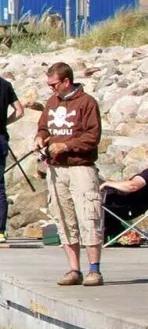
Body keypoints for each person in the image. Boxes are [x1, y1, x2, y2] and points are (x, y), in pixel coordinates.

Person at [35, 62, 105, 286]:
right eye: (49, 85)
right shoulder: (52, 102)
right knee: (64, 219)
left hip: (80, 168)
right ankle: (74, 269)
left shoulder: (87, 103)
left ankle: (94, 269)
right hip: (57, 169)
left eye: (54, 85)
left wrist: (67, 146)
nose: (51, 89)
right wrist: (40, 138)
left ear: (66, 81)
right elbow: (44, 127)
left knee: (88, 216)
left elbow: (92, 137)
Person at [0, 72, 20, 243]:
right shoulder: (5, 85)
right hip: (0, 139)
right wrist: (4, 123)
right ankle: (0, 231)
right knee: (0, 186)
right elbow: (20, 111)